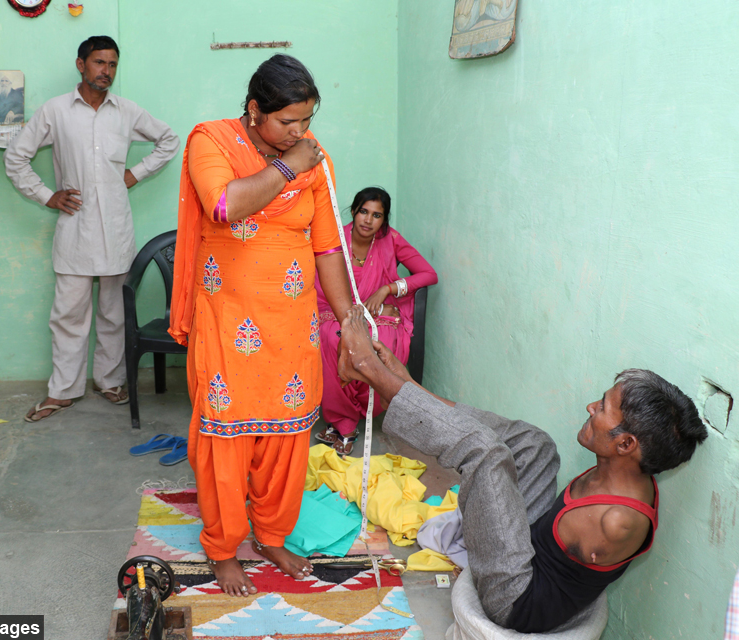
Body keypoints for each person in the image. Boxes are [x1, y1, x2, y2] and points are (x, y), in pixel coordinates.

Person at [336, 306, 708, 633]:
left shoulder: (617, 522)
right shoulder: (626, 471)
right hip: (530, 551)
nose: (591, 406)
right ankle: (407, 390)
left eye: (604, 407)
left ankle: (367, 368)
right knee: (536, 444)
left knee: (486, 452)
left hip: (515, 599)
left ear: (626, 444)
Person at [169, 54, 354, 597]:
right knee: (225, 436)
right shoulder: (212, 140)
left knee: (289, 431)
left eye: (307, 120)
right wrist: (289, 166)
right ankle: (224, 548)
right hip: (228, 319)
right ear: (254, 110)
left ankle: (272, 534)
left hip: (291, 323)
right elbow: (225, 205)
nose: (300, 132)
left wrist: (350, 323)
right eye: (287, 122)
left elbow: (326, 247)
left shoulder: (312, 157)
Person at [5, 36, 179, 421]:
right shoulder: (55, 112)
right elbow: (16, 157)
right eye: (100, 63)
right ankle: (63, 391)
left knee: (115, 313)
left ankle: (110, 382)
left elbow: (168, 140)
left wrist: (135, 173)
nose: (107, 71)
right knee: (68, 314)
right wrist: (47, 196)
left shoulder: (127, 112)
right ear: (81, 65)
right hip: (75, 228)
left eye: (113, 64)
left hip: (116, 228)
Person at [314, 186, 437, 455]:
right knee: (333, 335)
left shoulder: (391, 240)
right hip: (332, 311)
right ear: (354, 213)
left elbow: (429, 274)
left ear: (385, 219)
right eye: (363, 212)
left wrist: (387, 290)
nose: (368, 221)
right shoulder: (333, 237)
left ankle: (358, 414)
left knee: (383, 337)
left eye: (377, 215)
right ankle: (343, 421)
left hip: (378, 314)